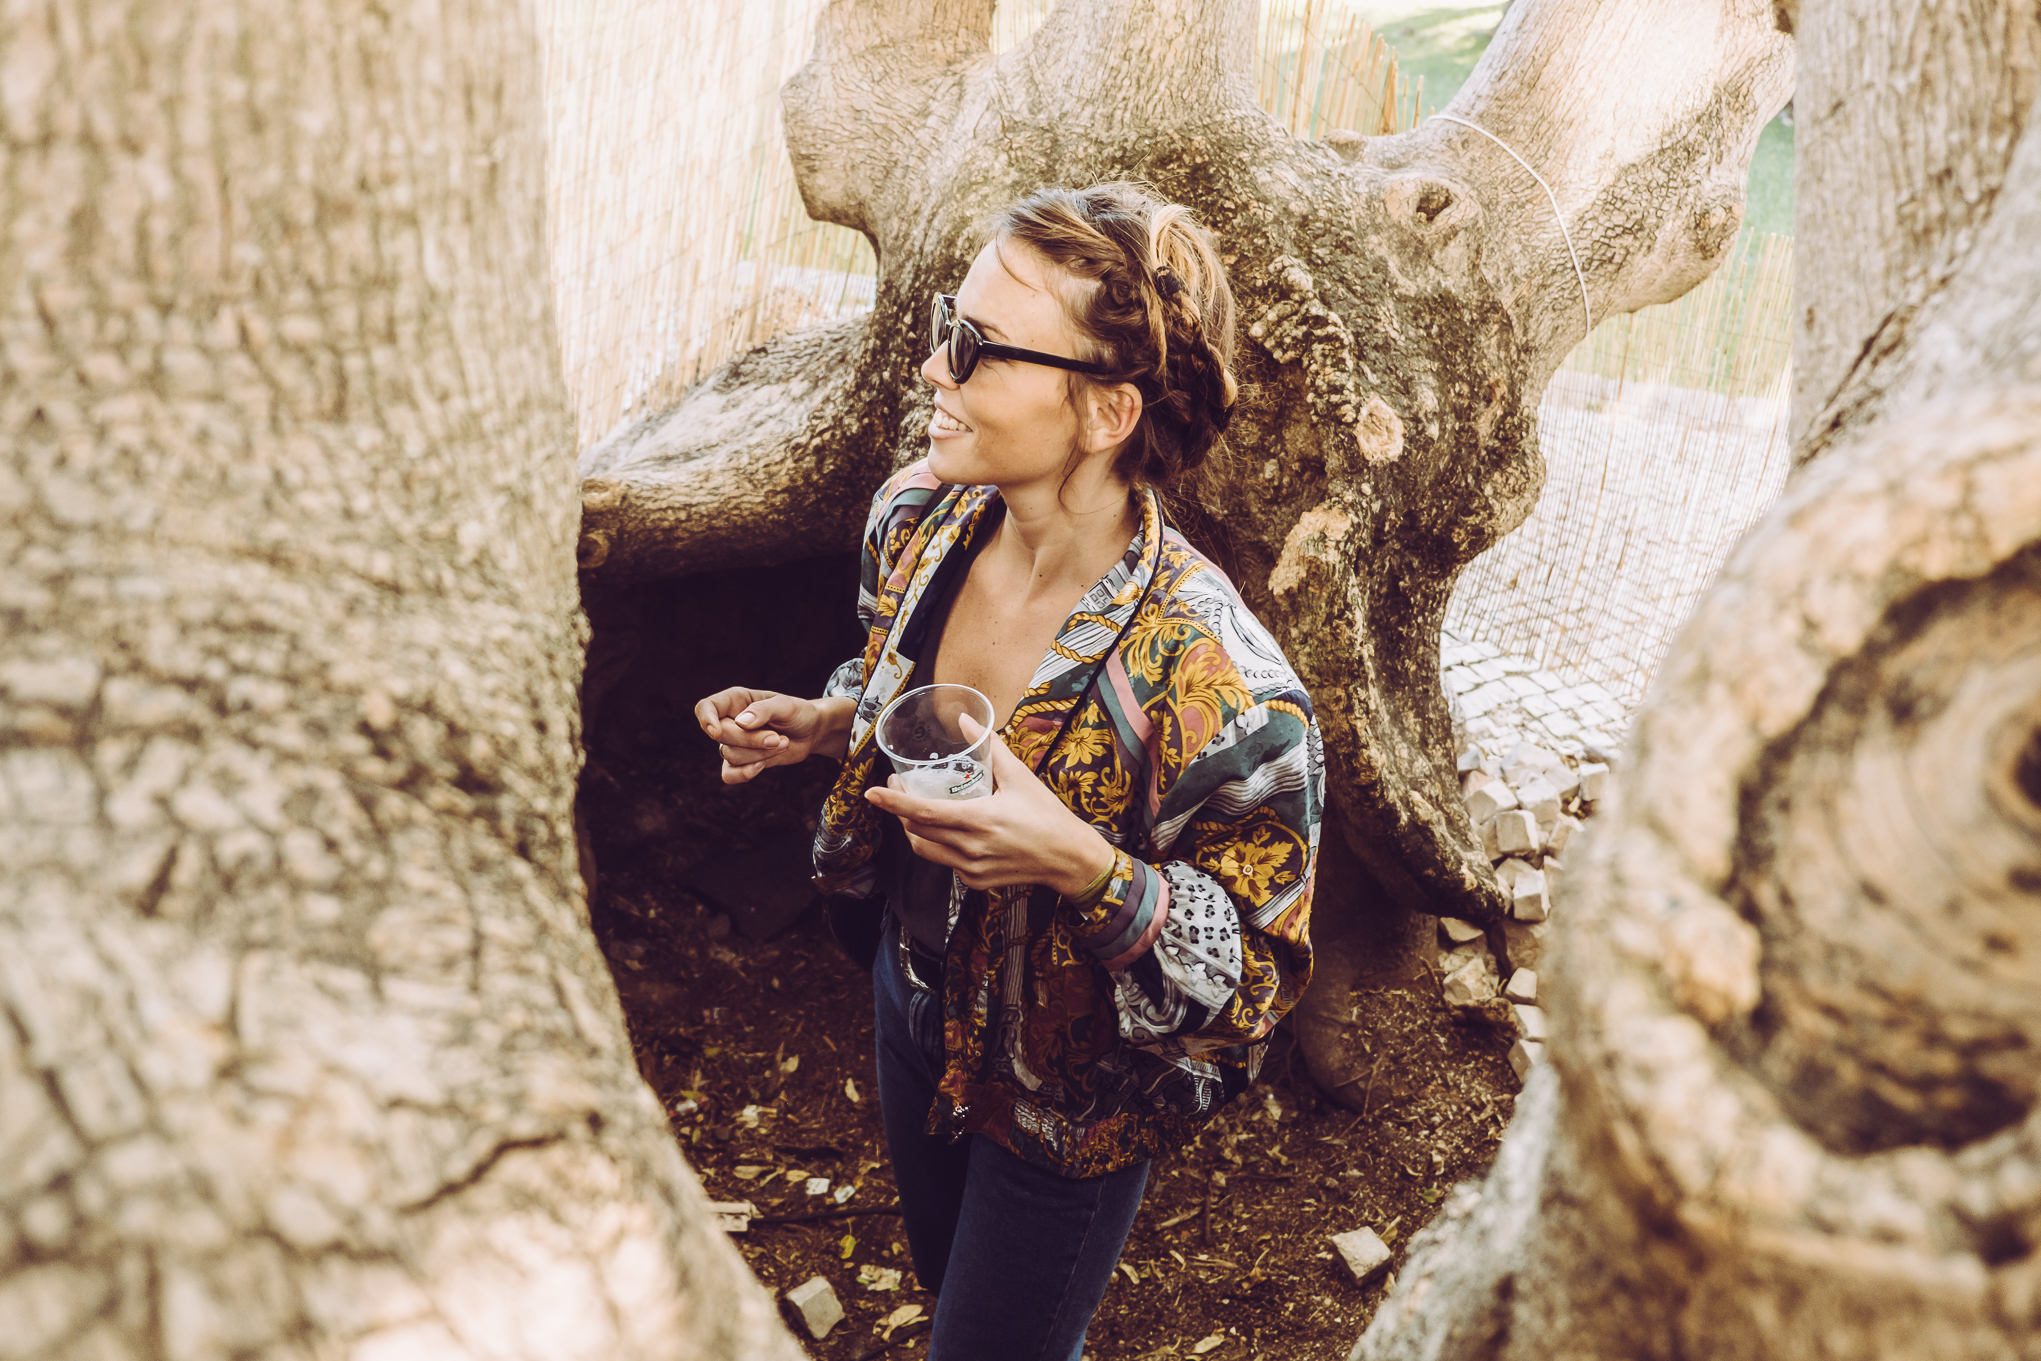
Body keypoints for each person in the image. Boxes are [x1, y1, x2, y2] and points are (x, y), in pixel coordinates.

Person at [694, 183, 1322, 1361]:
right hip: (906, 997)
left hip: (1065, 1108)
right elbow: (898, 680)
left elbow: (1251, 982)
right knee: (956, 1295)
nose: (934, 365)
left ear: (1104, 411)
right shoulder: (916, 518)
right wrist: (831, 722)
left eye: (977, 345)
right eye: (951, 322)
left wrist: (1084, 867)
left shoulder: (1224, 692)